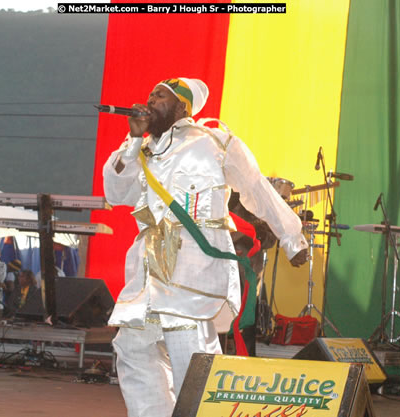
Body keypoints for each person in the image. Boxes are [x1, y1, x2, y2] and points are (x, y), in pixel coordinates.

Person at [102, 77, 308, 416]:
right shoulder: (140, 147)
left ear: (183, 106)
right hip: (147, 269)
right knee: (132, 347)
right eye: (150, 93)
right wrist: (133, 140)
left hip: (193, 264)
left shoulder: (215, 141)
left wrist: (291, 237)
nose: (151, 99)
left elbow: (257, 189)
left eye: (161, 96)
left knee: (192, 356)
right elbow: (115, 193)